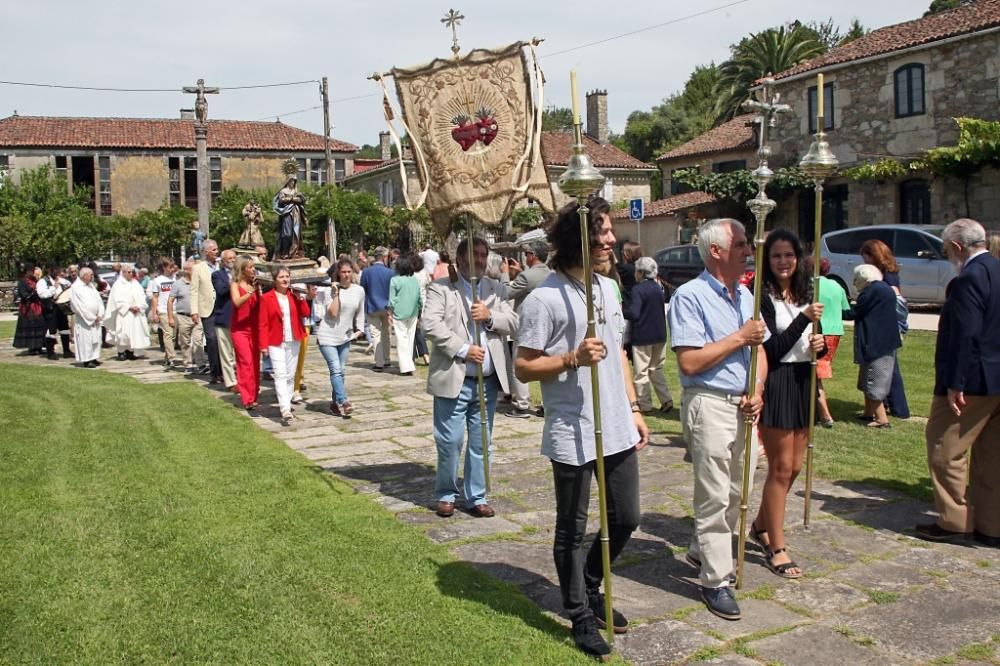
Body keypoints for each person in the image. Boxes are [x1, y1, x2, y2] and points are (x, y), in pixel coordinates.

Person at [515, 198, 648, 658]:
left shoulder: (609, 289)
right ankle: (579, 613)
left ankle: (591, 583)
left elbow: (621, 354)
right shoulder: (544, 298)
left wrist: (633, 407)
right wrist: (571, 358)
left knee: (627, 517)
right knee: (571, 528)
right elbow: (524, 368)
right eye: (603, 233)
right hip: (573, 428)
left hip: (615, 423)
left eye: (610, 232)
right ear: (579, 239)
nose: (612, 240)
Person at [667, 217, 767, 622]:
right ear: (716, 251)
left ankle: (701, 550)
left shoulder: (746, 296)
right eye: (741, 244)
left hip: (744, 405)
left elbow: (760, 352)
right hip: (708, 403)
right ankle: (715, 579)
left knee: (739, 491)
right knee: (714, 493)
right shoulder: (689, 297)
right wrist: (740, 337)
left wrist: (757, 390)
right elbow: (690, 362)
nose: (748, 250)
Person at [916, 219, 1000, 547]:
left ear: (957, 247)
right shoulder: (996, 269)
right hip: (995, 380)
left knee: (944, 448)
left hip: (974, 380)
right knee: (991, 456)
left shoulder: (969, 279)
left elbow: (965, 334)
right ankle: (992, 525)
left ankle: (956, 521)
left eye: (946, 249)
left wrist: (956, 383)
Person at [423, 237, 516, 520]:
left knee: (481, 443)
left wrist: (489, 317)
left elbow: (513, 321)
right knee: (450, 441)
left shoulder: (495, 289)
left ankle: (477, 496)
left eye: (483, 254)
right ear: (460, 257)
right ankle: (447, 494)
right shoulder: (441, 288)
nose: (479, 259)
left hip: (487, 382)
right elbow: (430, 324)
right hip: (455, 378)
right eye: (473, 254)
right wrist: (462, 349)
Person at [752, 229, 825, 580]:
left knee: (795, 466)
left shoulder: (804, 294)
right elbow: (772, 349)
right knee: (780, 468)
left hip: (803, 382)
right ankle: (776, 545)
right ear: (768, 261)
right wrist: (803, 320)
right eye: (777, 256)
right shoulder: (761, 297)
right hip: (779, 381)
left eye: (789, 255)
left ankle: (762, 524)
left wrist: (819, 344)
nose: (783, 262)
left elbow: (813, 340)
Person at [860, 239, 910, 419]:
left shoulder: (886, 277)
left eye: (865, 256)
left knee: (889, 369)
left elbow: (894, 301)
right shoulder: (889, 272)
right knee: (888, 368)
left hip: (889, 325)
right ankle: (887, 406)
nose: (864, 261)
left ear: (872, 256)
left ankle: (899, 409)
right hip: (889, 324)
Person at [845, 264, 900, 429]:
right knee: (866, 379)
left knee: (873, 380)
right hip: (884, 342)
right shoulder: (884, 288)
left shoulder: (871, 291)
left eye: (856, 280)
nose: (855, 284)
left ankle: (882, 419)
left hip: (876, 343)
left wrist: (837, 310)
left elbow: (856, 312)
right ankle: (869, 412)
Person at [257, 266, 313, 424]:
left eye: (287, 277)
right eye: (281, 277)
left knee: (290, 375)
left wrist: (301, 298)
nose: (285, 280)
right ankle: (284, 408)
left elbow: (306, 313)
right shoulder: (267, 298)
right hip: (275, 341)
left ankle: (287, 402)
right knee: (280, 374)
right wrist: (263, 345)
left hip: (293, 339)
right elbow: (262, 323)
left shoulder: (293, 296)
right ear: (275, 280)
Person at [505, 240, 552, 418]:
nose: (525, 257)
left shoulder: (527, 277)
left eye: (527, 254)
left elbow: (506, 293)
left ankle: (521, 404)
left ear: (533, 255)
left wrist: (505, 275)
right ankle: (546, 404)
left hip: (527, 326)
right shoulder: (550, 274)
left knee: (519, 363)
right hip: (547, 326)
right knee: (545, 365)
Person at [315, 259, 366, 416]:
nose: (346, 275)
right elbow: (333, 313)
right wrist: (336, 294)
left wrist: (360, 329)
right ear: (338, 273)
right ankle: (344, 401)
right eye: (343, 272)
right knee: (335, 369)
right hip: (327, 335)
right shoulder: (330, 290)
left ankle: (334, 402)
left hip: (345, 336)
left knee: (341, 371)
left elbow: (360, 311)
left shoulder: (359, 290)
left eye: (349, 272)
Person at [624, 256, 674, 414]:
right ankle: (666, 399)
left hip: (643, 336)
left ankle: (644, 405)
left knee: (641, 372)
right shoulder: (658, 288)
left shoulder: (638, 290)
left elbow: (635, 313)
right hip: (659, 334)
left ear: (640, 272)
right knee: (656, 369)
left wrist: (621, 311)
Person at [812, 257, 849, 427]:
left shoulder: (811, 284)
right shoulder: (837, 285)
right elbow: (846, 309)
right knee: (817, 373)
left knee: (815, 374)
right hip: (836, 332)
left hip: (820, 331)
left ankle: (825, 415)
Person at [230, 256, 261, 411]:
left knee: (255, 363)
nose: (253, 269)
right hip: (240, 329)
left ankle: (254, 395)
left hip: (254, 328)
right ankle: (247, 398)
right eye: (250, 267)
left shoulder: (255, 284)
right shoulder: (235, 284)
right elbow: (236, 302)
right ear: (242, 269)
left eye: (253, 266)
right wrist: (249, 293)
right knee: (245, 362)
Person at [359, 246, 394, 371]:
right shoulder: (390, 272)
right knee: (386, 333)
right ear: (384, 257)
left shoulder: (367, 272)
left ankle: (379, 362)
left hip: (372, 305)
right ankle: (387, 358)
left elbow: (362, 288)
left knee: (375, 334)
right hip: (387, 306)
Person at [105, 265, 150, 360]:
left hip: (136, 313)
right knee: (123, 333)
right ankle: (121, 351)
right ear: (123, 272)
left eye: (132, 272)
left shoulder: (136, 284)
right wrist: (129, 307)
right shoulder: (118, 285)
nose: (131, 274)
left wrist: (139, 306)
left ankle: (130, 351)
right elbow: (117, 300)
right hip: (125, 313)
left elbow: (142, 296)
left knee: (134, 333)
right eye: (129, 272)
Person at [389, 253, 423, 377]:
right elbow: (419, 296)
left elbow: (392, 299)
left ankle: (406, 366)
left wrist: (391, 309)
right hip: (413, 311)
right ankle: (409, 364)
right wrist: (420, 308)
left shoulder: (395, 280)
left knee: (401, 339)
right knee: (409, 338)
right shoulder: (414, 279)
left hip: (399, 312)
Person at [168, 259, 205, 372]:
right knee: (185, 341)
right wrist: (170, 317)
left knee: (198, 340)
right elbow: (170, 301)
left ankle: (200, 364)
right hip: (183, 316)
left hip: (197, 316)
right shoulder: (178, 284)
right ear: (187, 271)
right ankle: (188, 364)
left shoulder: (199, 282)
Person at [190, 239, 218, 376]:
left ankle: (223, 371)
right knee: (211, 339)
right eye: (213, 250)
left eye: (217, 249)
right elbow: (194, 291)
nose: (216, 252)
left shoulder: (221, 265)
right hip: (207, 308)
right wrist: (194, 311)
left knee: (222, 341)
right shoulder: (198, 268)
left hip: (222, 307)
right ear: (206, 252)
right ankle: (214, 370)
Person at [211, 249, 237, 390]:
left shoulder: (243, 274)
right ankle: (231, 382)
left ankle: (242, 378)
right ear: (223, 261)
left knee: (240, 352)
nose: (232, 260)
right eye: (229, 258)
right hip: (224, 317)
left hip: (240, 318)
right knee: (226, 353)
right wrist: (233, 280)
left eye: (234, 258)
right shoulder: (217, 275)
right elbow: (221, 290)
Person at [69, 266, 105, 368]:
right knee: (86, 340)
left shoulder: (91, 286)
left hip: (96, 318)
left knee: (96, 338)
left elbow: (99, 301)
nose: (92, 277)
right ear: (84, 276)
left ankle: (94, 357)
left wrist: (100, 314)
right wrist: (92, 317)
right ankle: (87, 360)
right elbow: (79, 306)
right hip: (85, 320)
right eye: (91, 275)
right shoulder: (76, 287)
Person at [36, 262, 72, 360]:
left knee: (64, 329)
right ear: (48, 270)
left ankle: (67, 350)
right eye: (55, 269)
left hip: (61, 308)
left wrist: (62, 283)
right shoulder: (42, 281)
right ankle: (50, 352)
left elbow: (69, 284)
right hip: (50, 309)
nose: (57, 272)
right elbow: (42, 294)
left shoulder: (59, 280)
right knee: (51, 331)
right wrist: (53, 288)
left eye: (58, 269)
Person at [149, 258, 178, 366]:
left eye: (173, 267)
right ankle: (171, 358)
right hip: (163, 310)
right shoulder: (157, 281)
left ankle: (167, 357)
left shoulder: (176, 279)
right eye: (170, 267)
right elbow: (155, 297)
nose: (172, 269)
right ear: (164, 268)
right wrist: (154, 313)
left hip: (176, 309)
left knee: (173, 336)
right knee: (168, 335)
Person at [13, 263, 46, 354]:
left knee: (39, 326)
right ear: (28, 271)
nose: (33, 272)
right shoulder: (23, 282)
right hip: (28, 308)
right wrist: (33, 293)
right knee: (30, 327)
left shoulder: (36, 281)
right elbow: (24, 295)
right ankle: (31, 347)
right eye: (32, 271)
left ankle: (39, 346)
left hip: (37, 306)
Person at [273, 177, 307, 259]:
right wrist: (293, 199)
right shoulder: (283, 191)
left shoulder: (296, 191)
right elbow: (281, 200)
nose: (293, 183)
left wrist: (294, 199)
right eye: (291, 181)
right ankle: (284, 252)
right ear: (288, 182)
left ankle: (294, 252)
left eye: (294, 181)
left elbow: (302, 200)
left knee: (296, 233)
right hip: (287, 212)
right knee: (287, 233)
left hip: (296, 212)